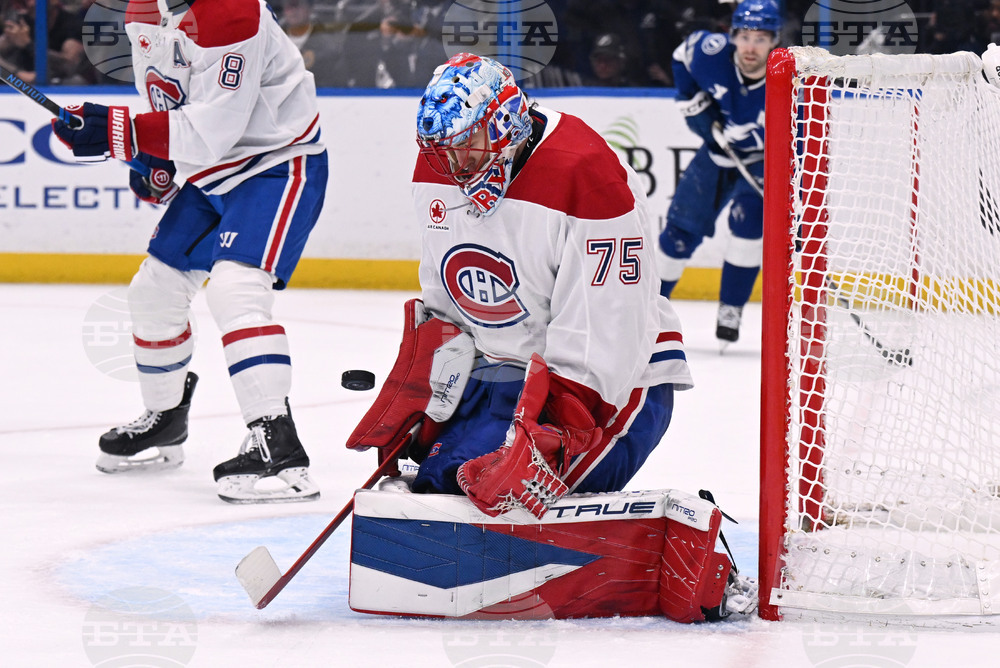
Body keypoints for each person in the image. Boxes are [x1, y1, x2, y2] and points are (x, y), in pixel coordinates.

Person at [347, 52, 693, 519]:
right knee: (440, 481)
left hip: (618, 386)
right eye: (442, 150)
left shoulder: (586, 174)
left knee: (502, 503)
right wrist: (432, 399)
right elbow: (445, 298)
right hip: (509, 378)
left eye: (466, 146)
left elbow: (606, 329)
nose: (455, 166)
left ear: (505, 124)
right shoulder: (442, 162)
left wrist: (555, 435)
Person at [52, 0, 328, 503]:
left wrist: (119, 134)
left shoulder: (232, 11)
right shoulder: (142, 13)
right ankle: (167, 418)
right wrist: (151, 163)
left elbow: (211, 132)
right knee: (152, 292)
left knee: (236, 290)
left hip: (277, 166)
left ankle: (278, 446)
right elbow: (172, 107)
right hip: (209, 176)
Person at [656, 0, 781, 346]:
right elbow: (681, 56)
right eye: (744, 36)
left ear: (774, 41)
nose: (750, 47)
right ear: (732, 35)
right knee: (677, 235)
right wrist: (692, 103)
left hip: (761, 161)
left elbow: (801, 138)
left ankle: (731, 308)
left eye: (760, 38)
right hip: (716, 154)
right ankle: (649, 309)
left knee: (748, 223)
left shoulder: (787, 81)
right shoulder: (711, 51)